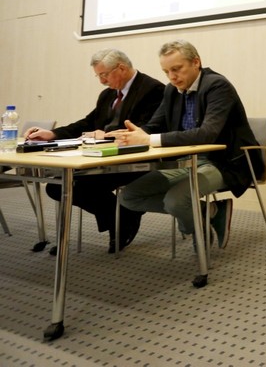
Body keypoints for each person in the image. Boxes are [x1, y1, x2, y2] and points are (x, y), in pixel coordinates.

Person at [113, 40, 262, 250]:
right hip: (186, 161)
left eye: (176, 69)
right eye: (166, 72)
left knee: (176, 201)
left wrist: (149, 140)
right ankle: (210, 212)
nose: (172, 77)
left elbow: (207, 134)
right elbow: (155, 125)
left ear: (196, 62)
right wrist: (133, 135)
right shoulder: (171, 90)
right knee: (129, 196)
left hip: (225, 163)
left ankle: (196, 227)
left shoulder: (217, 86)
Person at [25, 49, 164, 254]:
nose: (101, 81)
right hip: (101, 157)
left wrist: (106, 135)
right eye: (98, 76)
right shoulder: (108, 94)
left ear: (121, 68)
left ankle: (123, 220)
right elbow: (87, 123)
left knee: (76, 186)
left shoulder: (152, 89)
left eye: (104, 75)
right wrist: (53, 134)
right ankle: (123, 216)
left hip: (134, 160)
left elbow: (146, 129)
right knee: (56, 186)